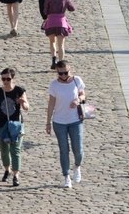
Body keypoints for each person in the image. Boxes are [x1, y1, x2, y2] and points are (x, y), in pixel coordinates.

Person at [46, 60, 85, 188]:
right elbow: (51, 104)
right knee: (64, 150)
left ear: (70, 70)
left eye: (65, 73)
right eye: (60, 73)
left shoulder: (77, 80)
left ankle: (77, 166)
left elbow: (83, 94)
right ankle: (66, 176)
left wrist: (78, 100)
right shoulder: (54, 85)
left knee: (78, 149)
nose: (63, 76)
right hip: (59, 121)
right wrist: (48, 122)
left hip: (75, 120)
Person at [0, 67, 30, 186]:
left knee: (15, 150)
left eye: (8, 79)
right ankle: (7, 169)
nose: (5, 81)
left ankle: (16, 174)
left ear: (13, 78)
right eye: (3, 79)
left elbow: (27, 107)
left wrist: (23, 103)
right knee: (4, 151)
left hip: (16, 125)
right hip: (2, 125)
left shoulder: (19, 91)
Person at [42, 0, 75, 70]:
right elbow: (72, 8)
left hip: (51, 22)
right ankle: (61, 63)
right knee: (61, 45)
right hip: (61, 22)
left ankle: (53, 60)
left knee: (52, 42)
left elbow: (45, 11)